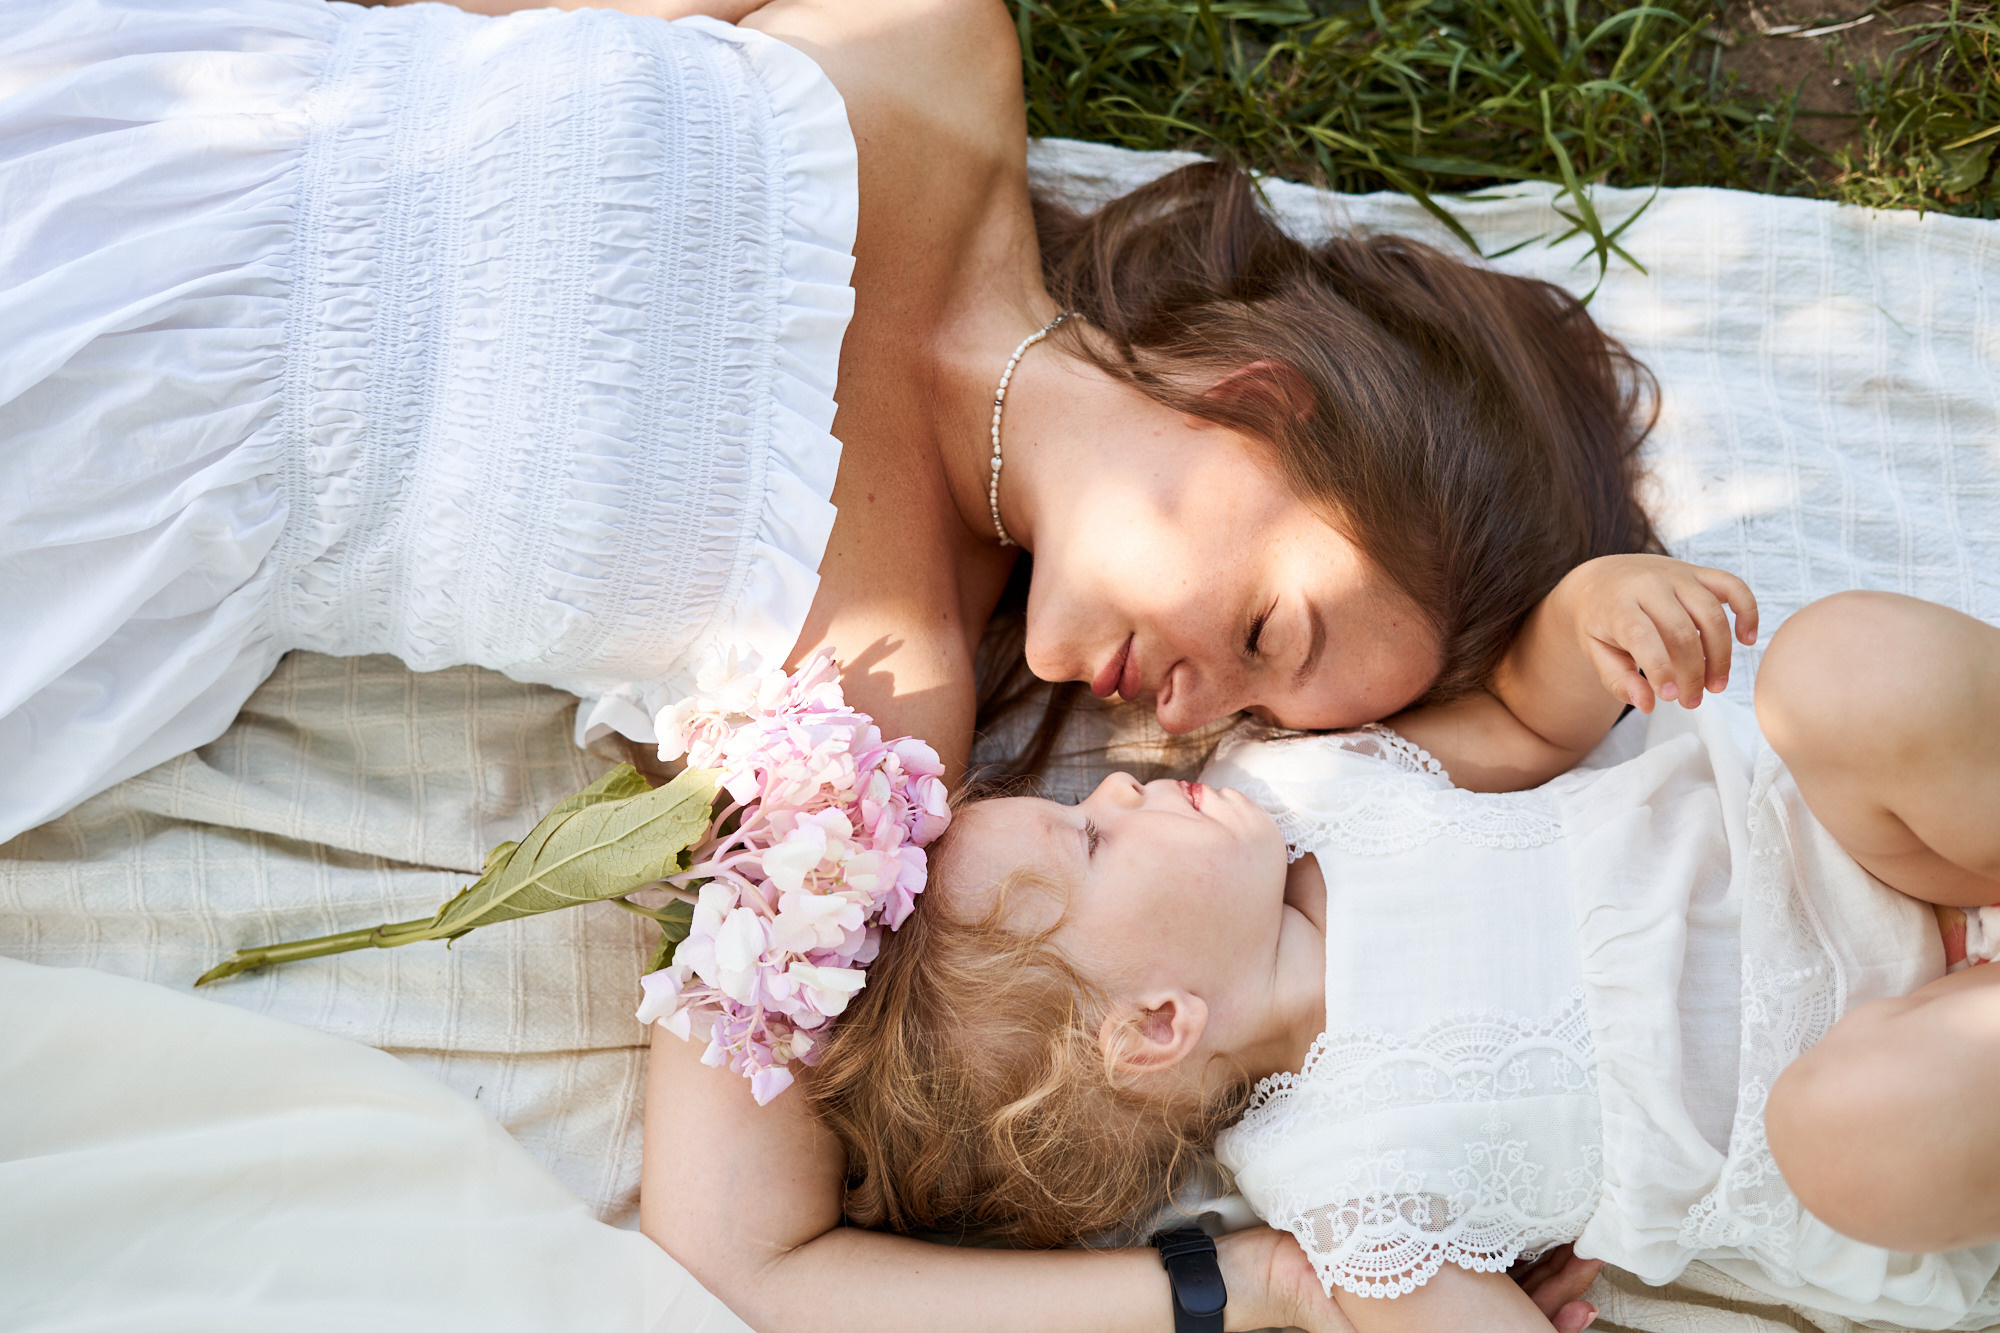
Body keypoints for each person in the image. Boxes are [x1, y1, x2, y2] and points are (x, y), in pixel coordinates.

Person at [2, 0, 1683, 1327]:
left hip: (100, 478)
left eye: (1254, 713)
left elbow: (750, 1260)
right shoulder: (932, 45)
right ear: (1261, 403)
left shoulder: (867, 723)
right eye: (1261, 635)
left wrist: (1245, 1288)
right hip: (132, 99)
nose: (1188, 725)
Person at [805, 587, 2000, 1331]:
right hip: (1924, 1105)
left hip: (1889, 846)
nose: (1118, 784)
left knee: (1836, 666)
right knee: (1841, 1131)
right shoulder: (1344, 1199)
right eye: (1091, 836)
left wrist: (1595, 621)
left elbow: (1529, 722)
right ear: (1156, 1022)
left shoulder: (1298, 783)